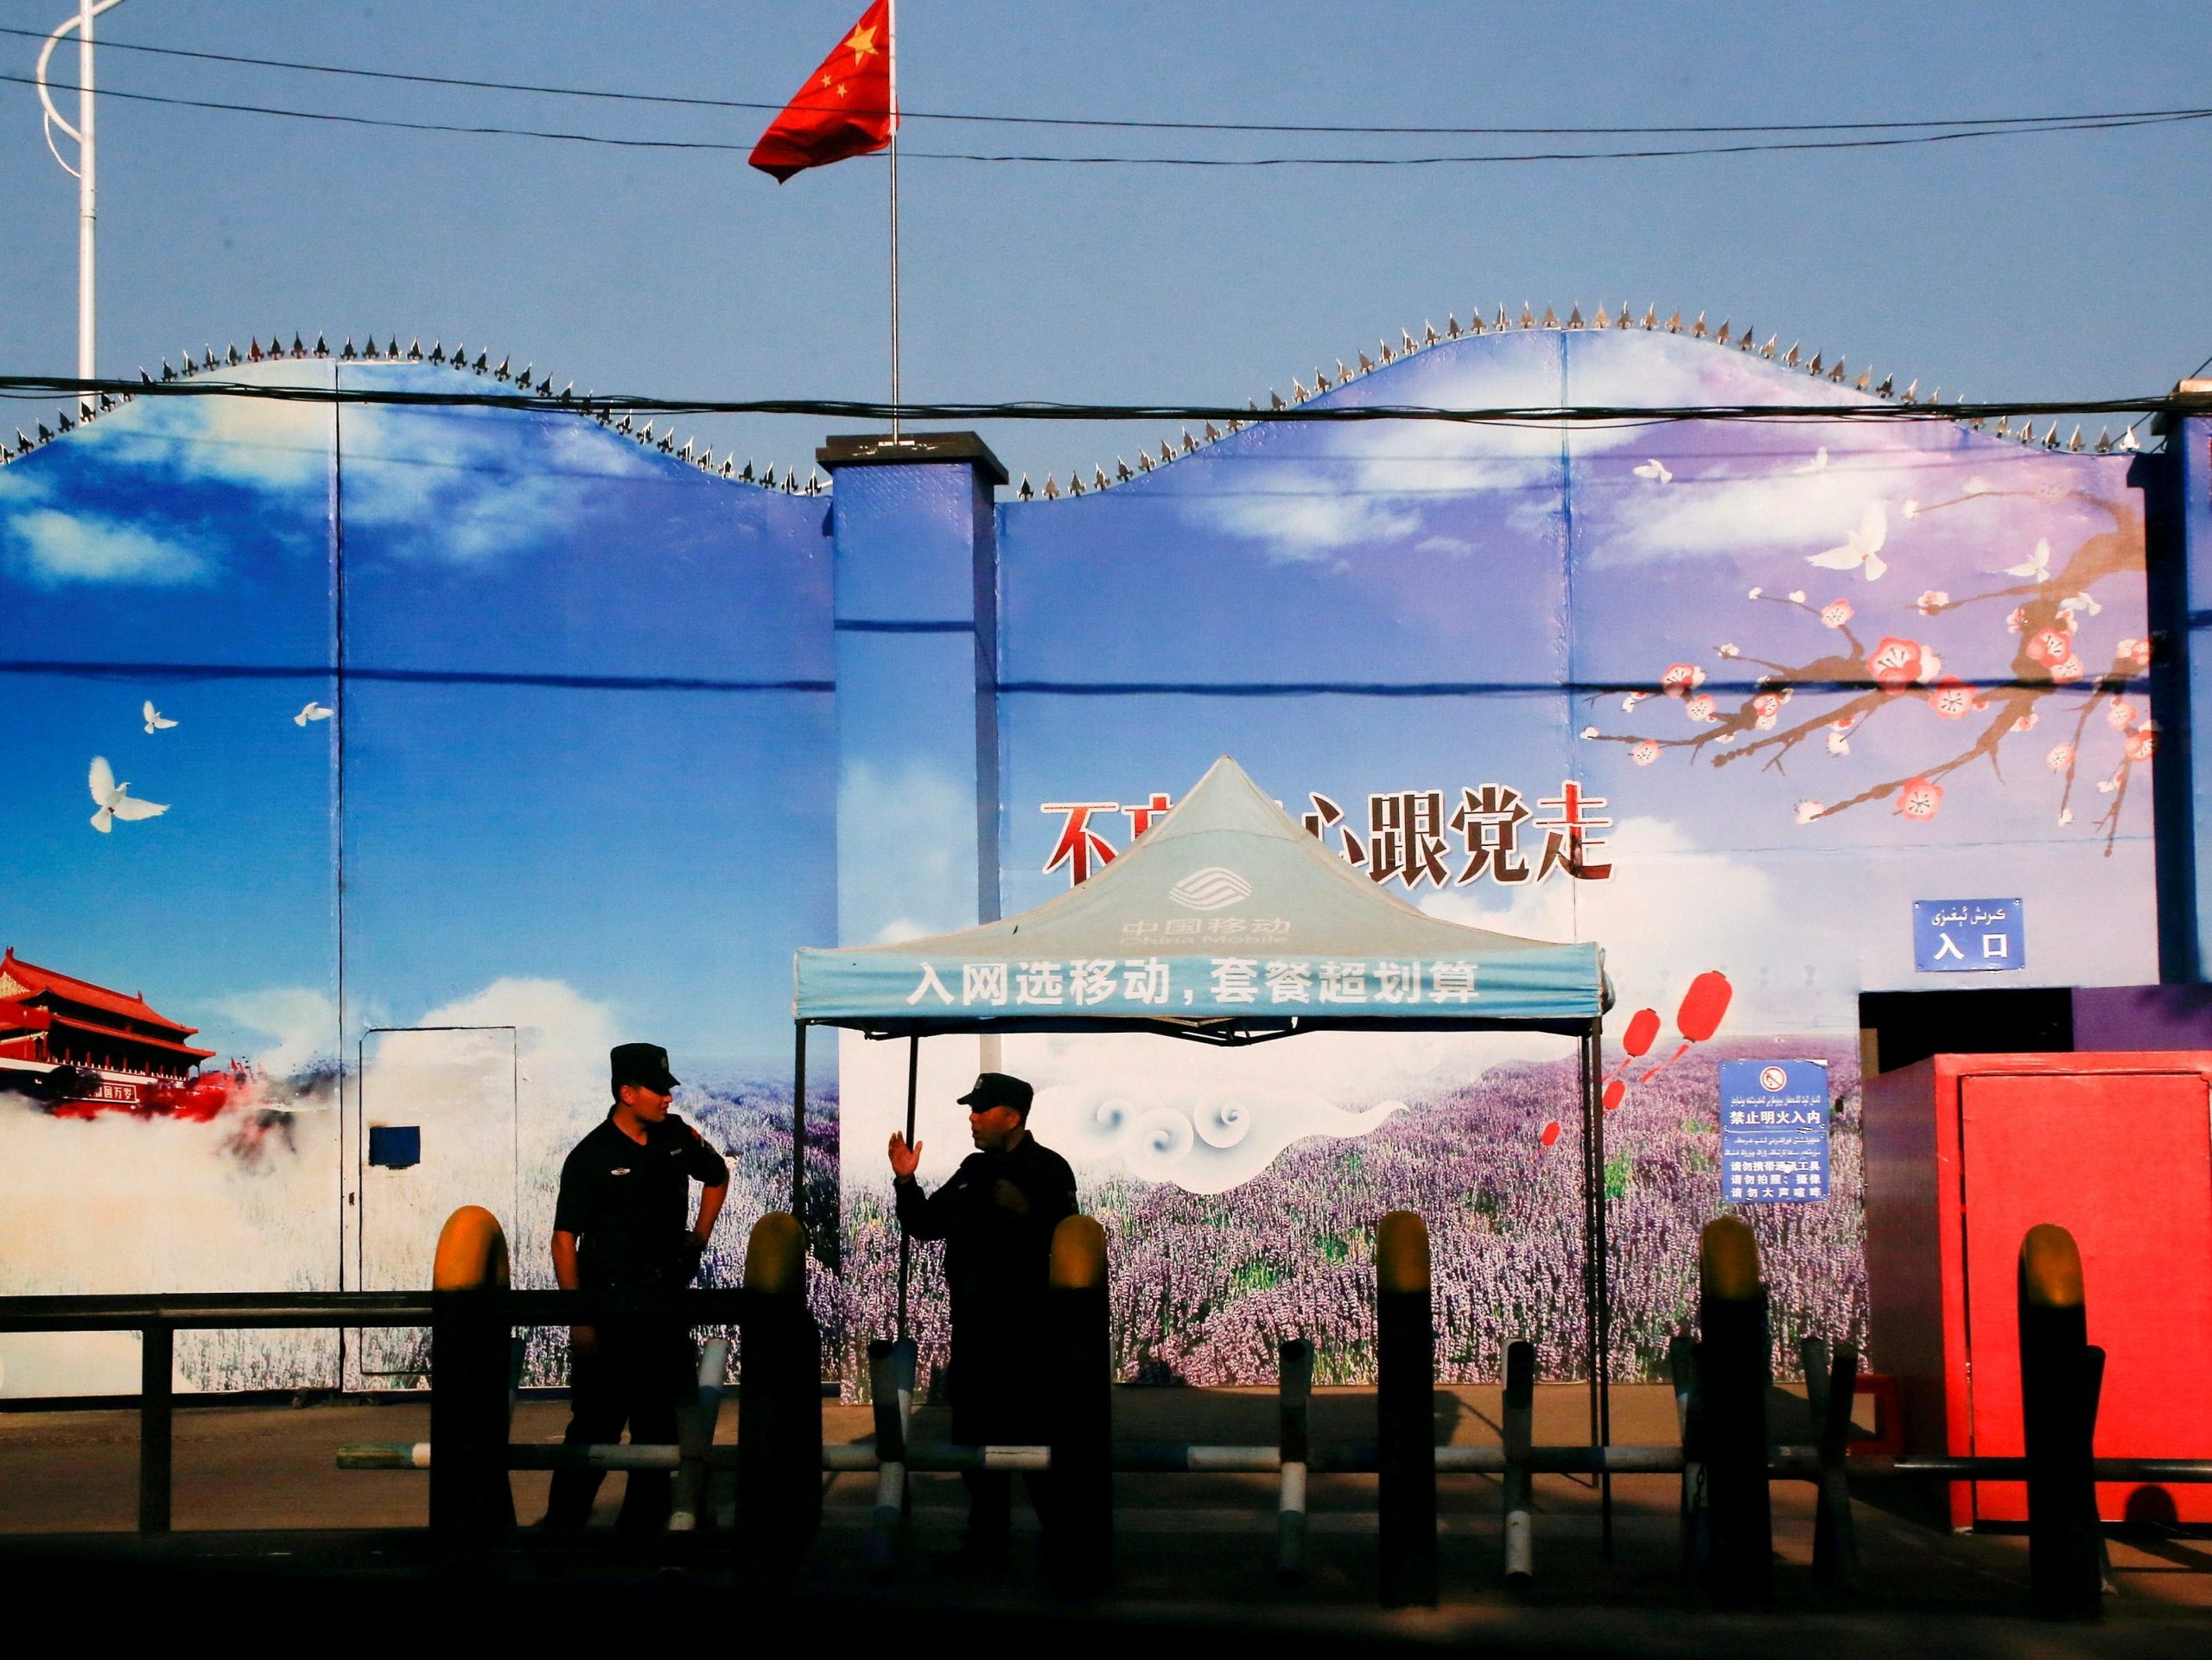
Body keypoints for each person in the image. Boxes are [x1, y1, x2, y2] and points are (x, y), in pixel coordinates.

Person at [889, 1070, 1077, 1569]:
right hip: (974, 1335)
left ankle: (1063, 1546)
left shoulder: (1049, 1170)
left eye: (981, 1109)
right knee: (975, 1445)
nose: (971, 1117)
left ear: (1011, 1117)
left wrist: (1031, 1213)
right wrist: (906, 1180)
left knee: (1039, 1446)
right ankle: (986, 1545)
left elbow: (1071, 1242)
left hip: (1030, 1337)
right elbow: (926, 1225)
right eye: (971, 1108)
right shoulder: (972, 1168)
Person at [543, 1041, 729, 1530]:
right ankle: (562, 1530)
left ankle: (642, 1531)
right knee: (595, 1424)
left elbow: (717, 1176)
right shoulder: (591, 1155)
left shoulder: (677, 1137)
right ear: (627, 1093)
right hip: (610, 1310)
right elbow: (564, 1241)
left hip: (665, 1305)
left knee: (661, 1425)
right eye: (658, 1090)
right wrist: (580, 1319)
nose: (668, 1099)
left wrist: (698, 1240)